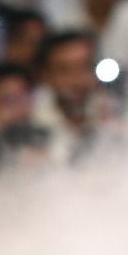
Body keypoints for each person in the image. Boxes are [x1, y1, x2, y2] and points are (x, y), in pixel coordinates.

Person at [31, 30, 118, 164]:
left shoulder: (118, 116)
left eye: (86, 66)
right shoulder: (31, 127)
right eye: (65, 70)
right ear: (45, 75)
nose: (77, 79)